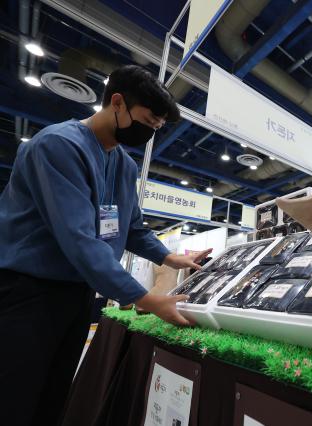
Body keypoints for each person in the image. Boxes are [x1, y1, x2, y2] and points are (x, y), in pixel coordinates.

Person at [0, 65, 211, 426]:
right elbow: (81, 240)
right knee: (14, 397)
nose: (151, 132)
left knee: (53, 397)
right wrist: (146, 299)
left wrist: (171, 258)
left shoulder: (125, 166)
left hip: (77, 297)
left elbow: (132, 229)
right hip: (28, 294)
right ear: (117, 102)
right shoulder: (58, 146)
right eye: (148, 121)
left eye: (158, 128)